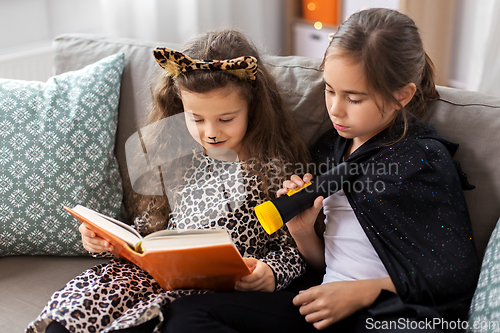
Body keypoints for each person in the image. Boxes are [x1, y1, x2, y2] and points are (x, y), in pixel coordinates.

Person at [163, 8, 481, 333]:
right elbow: (324, 266)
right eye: (329, 90)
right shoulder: (330, 148)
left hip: (391, 314)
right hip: (324, 306)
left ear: (402, 95)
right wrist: (302, 231)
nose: (335, 108)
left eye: (353, 98)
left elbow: (455, 273)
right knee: (185, 314)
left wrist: (361, 292)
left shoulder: (422, 158)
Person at [26, 29, 310, 333]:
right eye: (196, 119)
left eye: (225, 119)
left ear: (252, 109)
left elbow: (296, 250)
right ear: (180, 107)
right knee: (79, 307)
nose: (210, 132)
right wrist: (111, 241)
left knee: (151, 318)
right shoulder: (174, 153)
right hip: (152, 274)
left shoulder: (275, 168)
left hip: (212, 288)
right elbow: (149, 233)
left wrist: (272, 272)